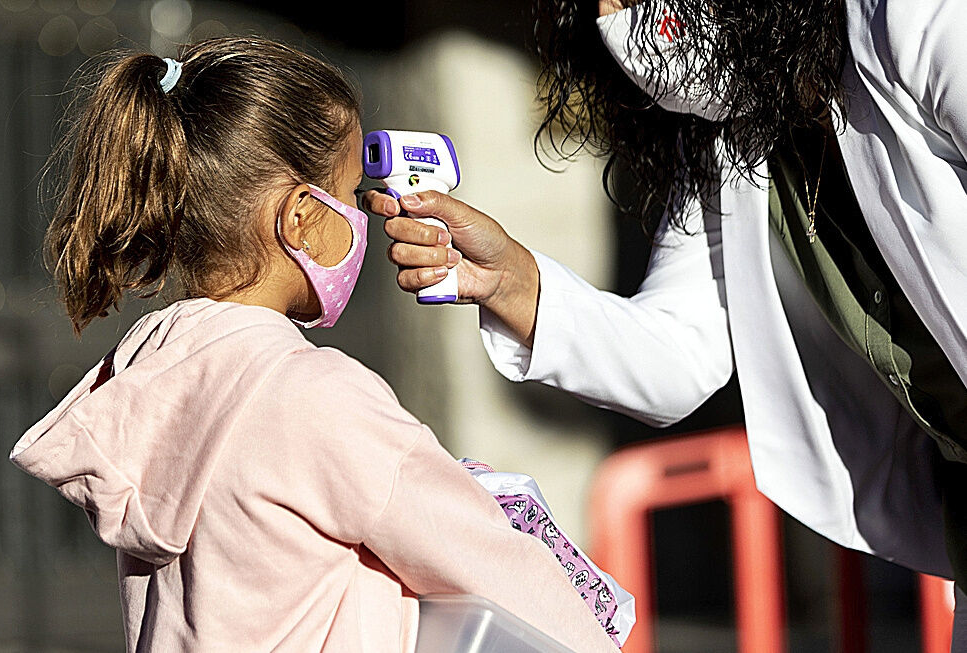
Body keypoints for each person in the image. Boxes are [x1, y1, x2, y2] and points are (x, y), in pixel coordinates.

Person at [368, 0, 967, 646]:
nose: (612, 13)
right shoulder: (728, 133)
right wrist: (513, 282)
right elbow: (677, 356)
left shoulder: (911, 18)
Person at [8, 38, 620, 653]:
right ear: (299, 216)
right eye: (351, 195)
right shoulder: (316, 399)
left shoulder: (146, 374)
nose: (364, 215)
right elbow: (491, 564)